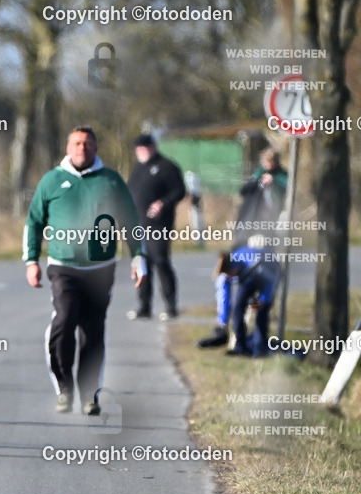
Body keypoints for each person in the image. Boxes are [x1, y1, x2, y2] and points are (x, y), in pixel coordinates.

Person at [24, 126, 146, 415]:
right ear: (68, 147)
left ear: (95, 148)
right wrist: (31, 261)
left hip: (100, 269)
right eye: (77, 143)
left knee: (93, 332)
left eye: (88, 143)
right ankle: (64, 388)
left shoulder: (111, 181)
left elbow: (131, 220)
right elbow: (34, 222)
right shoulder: (52, 181)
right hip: (63, 267)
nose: (82, 148)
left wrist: (138, 257)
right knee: (64, 321)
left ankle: (90, 395)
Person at [126, 134, 186, 321]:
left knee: (160, 260)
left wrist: (163, 203)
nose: (141, 152)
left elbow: (179, 190)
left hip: (158, 225)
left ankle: (171, 306)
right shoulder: (137, 169)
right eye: (138, 149)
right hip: (137, 224)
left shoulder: (167, 167)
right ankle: (144, 306)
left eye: (144, 148)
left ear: (153, 147)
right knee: (141, 265)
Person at [197, 241, 280, 354]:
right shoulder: (227, 269)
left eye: (231, 275)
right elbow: (224, 296)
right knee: (238, 307)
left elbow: (272, 281)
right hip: (247, 277)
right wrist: (223, 322)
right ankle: (240, 347)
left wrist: (263, 300)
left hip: (269, 271)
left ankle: (260, 347)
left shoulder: (256, 265)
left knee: (261, 311)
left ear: (234, 269)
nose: (231, 278)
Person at [234, 148, 287, 247]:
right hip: (258, 210)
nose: (270, 165)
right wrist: (259, 182)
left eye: (273, 162)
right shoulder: (260, 172)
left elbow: (287, 186)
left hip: (275, 209)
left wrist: (273, 181)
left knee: (272, 234)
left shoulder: (281, 174)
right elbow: (245, 190)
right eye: (268, 162)